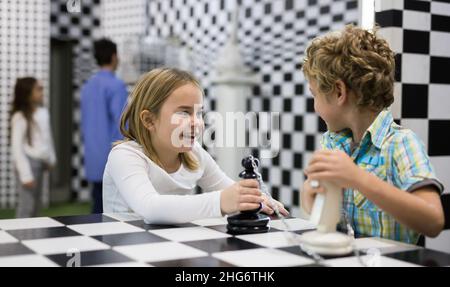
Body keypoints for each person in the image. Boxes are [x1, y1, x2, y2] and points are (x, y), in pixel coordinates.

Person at [300, 25, 445, 244]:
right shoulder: (332, 143)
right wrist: (310, 193)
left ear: (339, 92)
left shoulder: (400, 144)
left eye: (315, 95)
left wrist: (357, 178)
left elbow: (433, 221)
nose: (315, 106)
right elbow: (317, 211)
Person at [102, 68, 288, 223]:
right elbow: (150, 208)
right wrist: (221, 202)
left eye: (199, 113)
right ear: (149, 120)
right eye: (184, 112)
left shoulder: (194, 154)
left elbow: (226, 188)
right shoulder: (124, 156)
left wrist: (257, 199)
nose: (197, 123)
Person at [80, 38, 128, 213]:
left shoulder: (88, 86)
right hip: (112, 155)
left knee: (97, 206)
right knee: (114, 210)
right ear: (114, 57)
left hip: (92, 154)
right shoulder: (116, 86)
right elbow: (122, 123)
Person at [11, 77, 56, 218]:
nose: (42, 92)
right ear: (27, 93)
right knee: (27, 206)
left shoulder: (42, 112)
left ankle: (33, 237)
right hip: (28, 164)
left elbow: (48, 138)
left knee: (36, 206)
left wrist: (51, 159)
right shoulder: (20, 117)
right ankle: (19, 237)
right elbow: (17, 148)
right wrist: (25, 175)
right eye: (38, 89)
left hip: (40, 163)